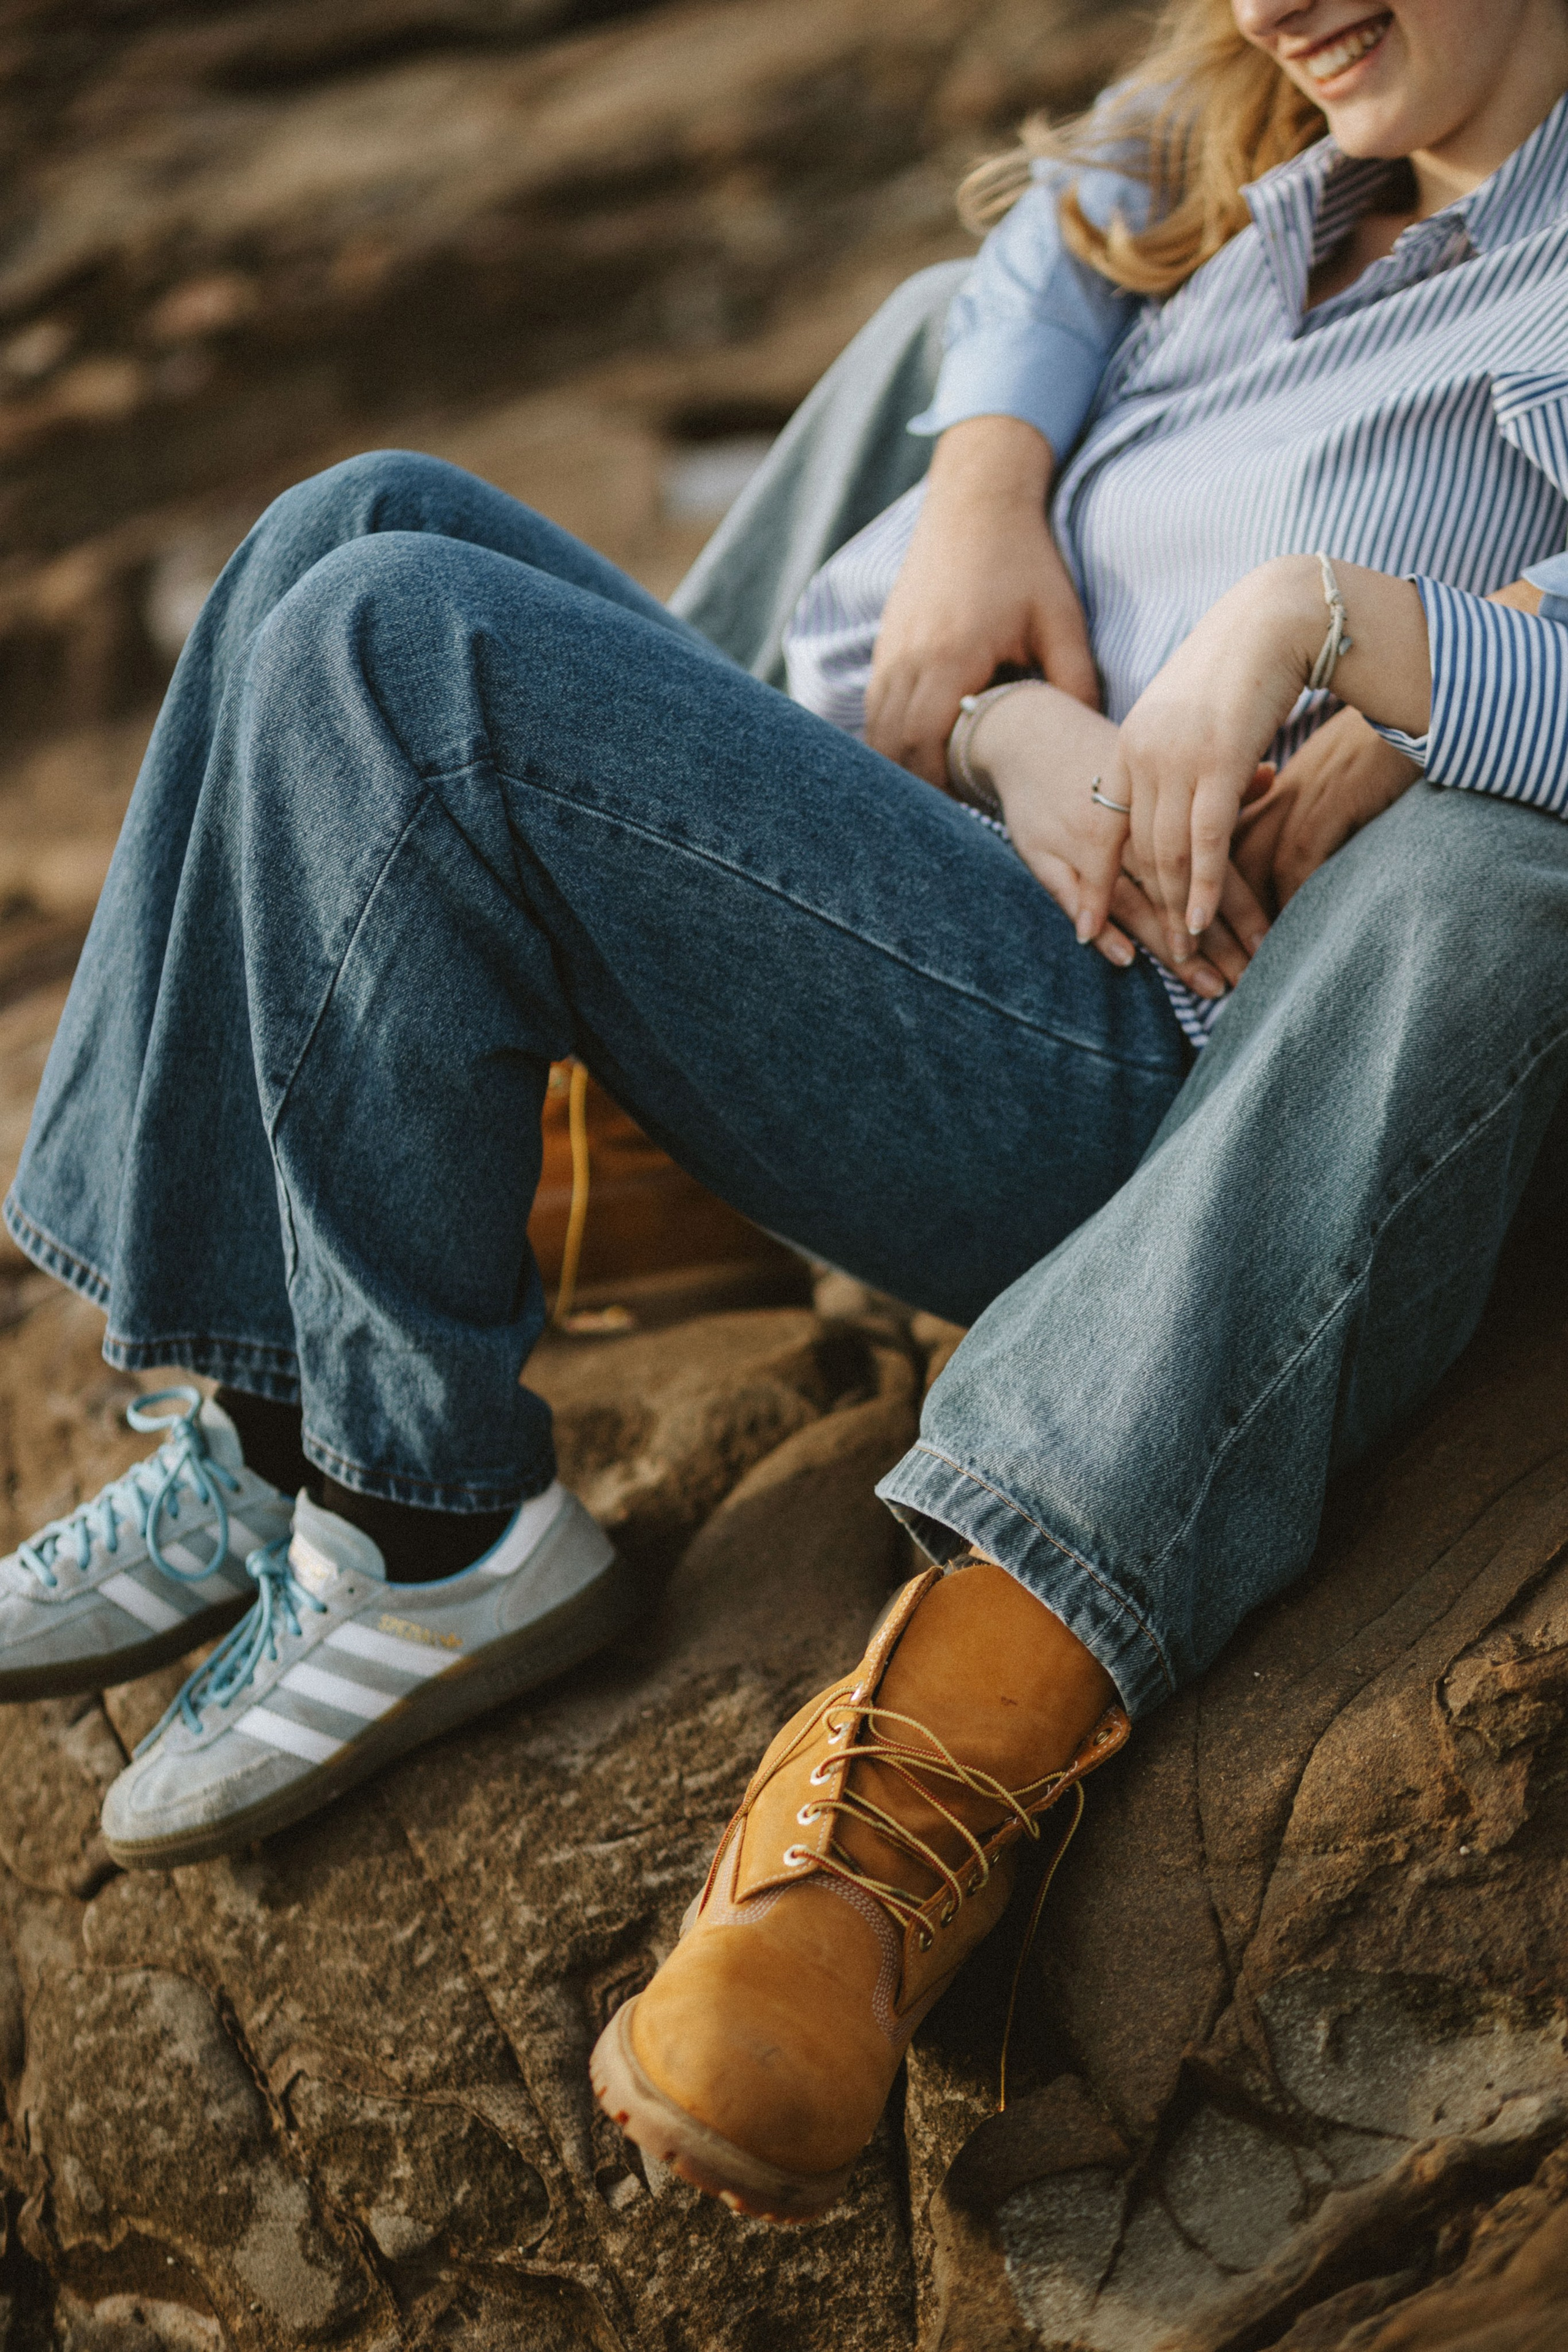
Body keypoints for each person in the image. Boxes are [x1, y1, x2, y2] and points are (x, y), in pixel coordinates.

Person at [6, 0, 1568, 2225]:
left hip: (1163, 1059)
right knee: (342, 525)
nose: (1277, 6)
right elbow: (1030, 284)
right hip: (968, 867)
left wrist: (1326, 623)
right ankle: (270, 1415)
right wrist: (1000, 622)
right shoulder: (1264, 178)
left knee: (399, 648)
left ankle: (434, 1524)